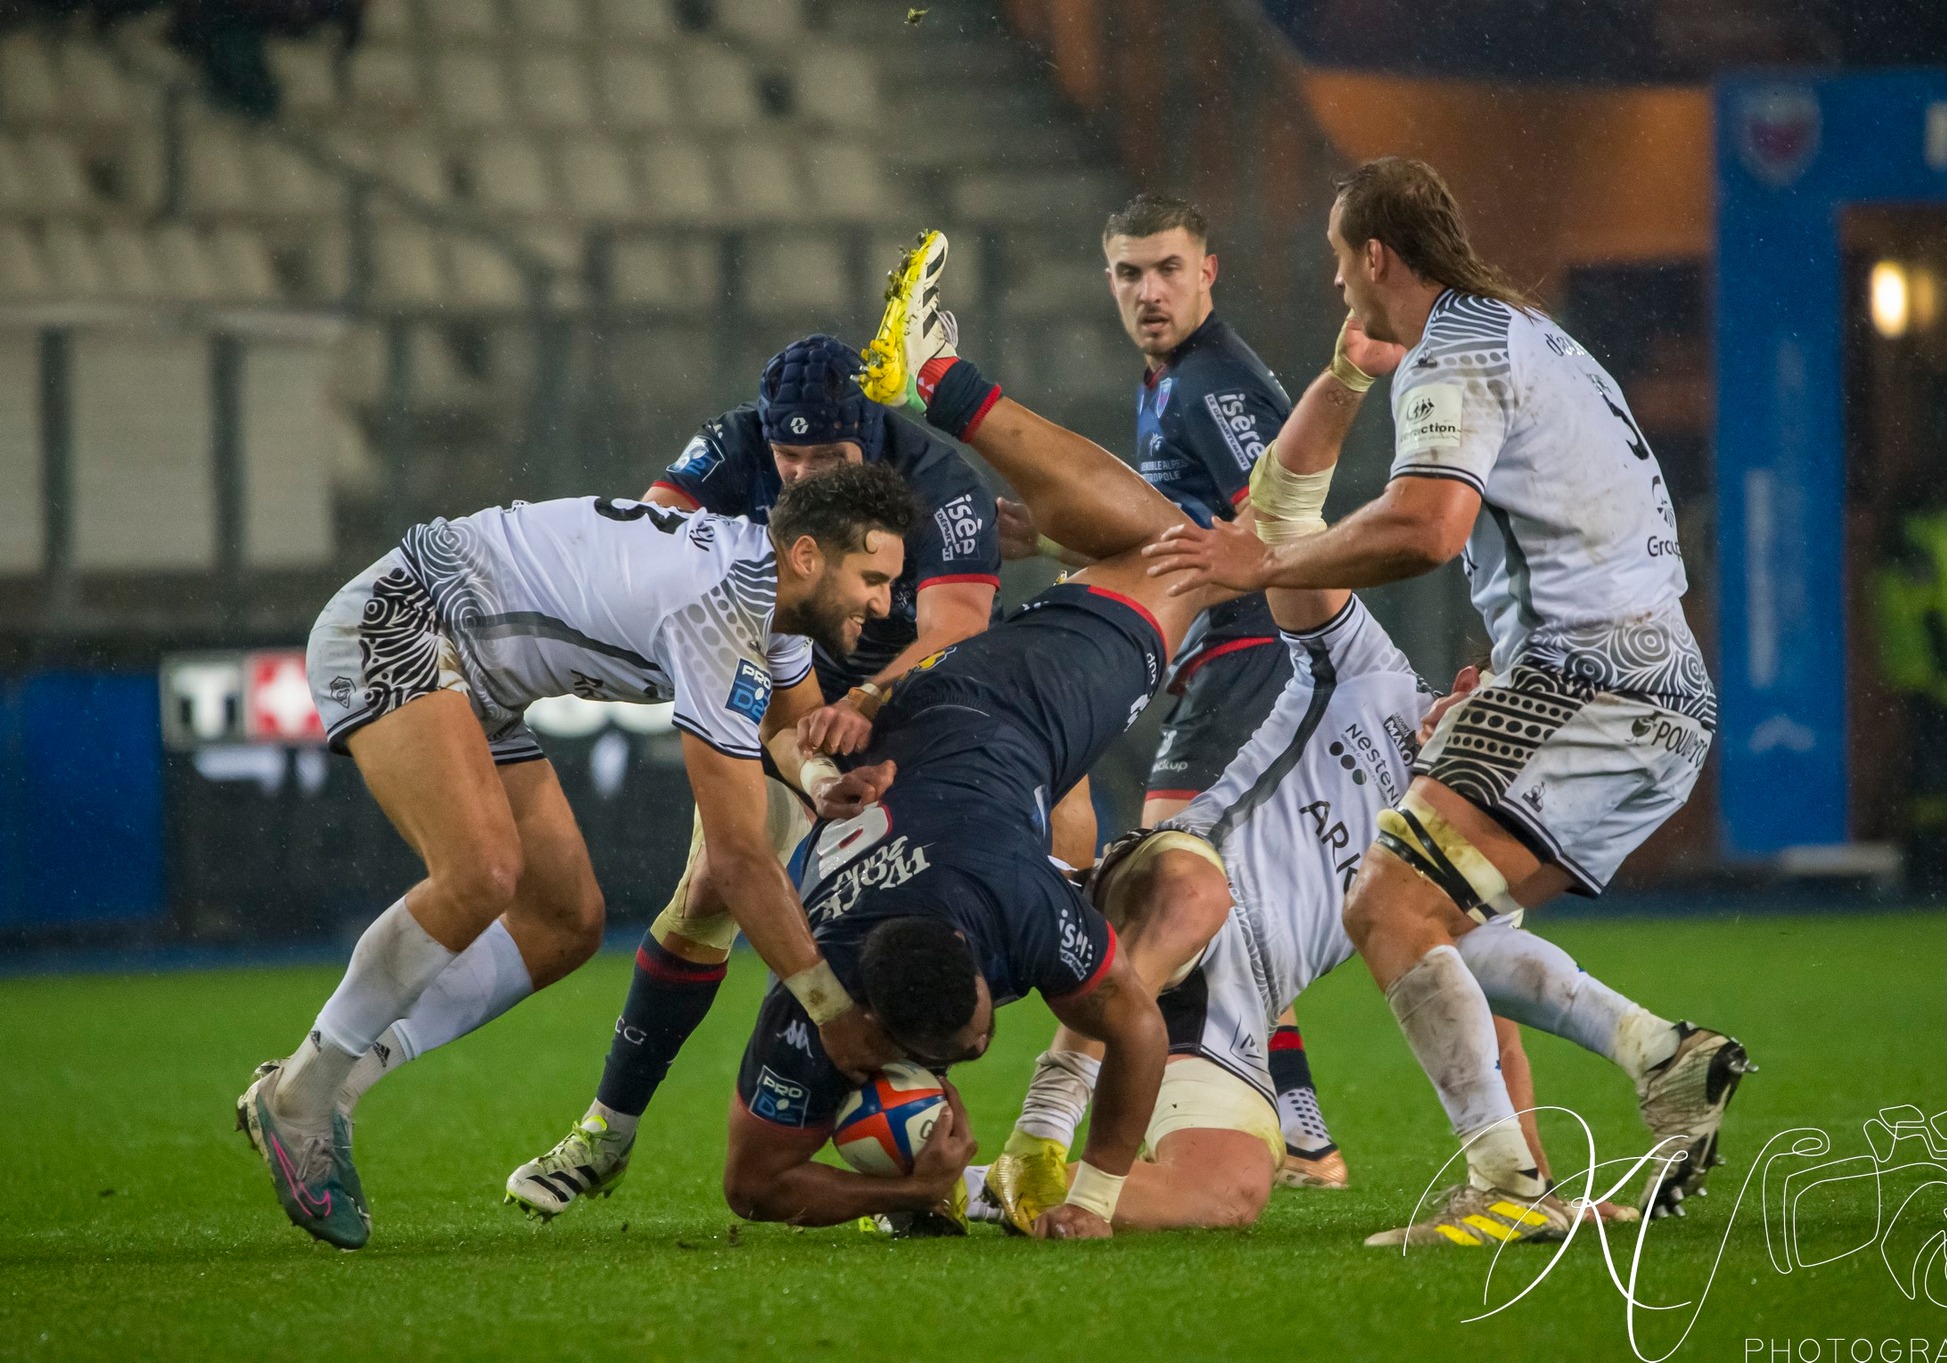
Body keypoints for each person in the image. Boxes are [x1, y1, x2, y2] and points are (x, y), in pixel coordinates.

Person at [976, 345, 1725, 1238]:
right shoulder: (1368, 670)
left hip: (1233, 1005)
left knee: (1222, 1199)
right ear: (1465, 679)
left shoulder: (1450, 833)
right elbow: (1280, 516)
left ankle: (966, 1190)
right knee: (1195, 892)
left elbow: (1496, 1016)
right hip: (1160, 897)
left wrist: (1541, 1188)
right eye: (1487, 694)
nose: (1482, 713)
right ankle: (1051, 1118)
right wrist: (1345, 377)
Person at [1145, 157, 1752, 1239]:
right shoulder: (1527, 331)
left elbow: (1426, 527)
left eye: (1340, 264)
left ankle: (1507, 1193)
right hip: (1639, 679)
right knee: (1438, 921)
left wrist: (1259, 568)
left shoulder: (1451, 355)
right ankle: (1661, 1055)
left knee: (1385, 903)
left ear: (1375, 255)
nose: (1337, 286)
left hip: (1593, 678)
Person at [234, 463, 919, 1250]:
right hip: (399, 621)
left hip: (476, 674)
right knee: (482, 873)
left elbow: (787, 731)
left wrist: (828, 779)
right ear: (806, 556)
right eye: (871, 578)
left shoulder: (763, 595)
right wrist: (832, 1012)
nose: (883, 601)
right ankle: (300, 1098)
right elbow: (736, 859)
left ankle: (325, 1084)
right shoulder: (718, 609)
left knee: (564, 920)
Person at [719, 229, 1243, 1240]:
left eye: (974, 1028)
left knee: (1178, 554)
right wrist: (909, 1189)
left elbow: (1131, 1023)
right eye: (975, 1038)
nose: (983, 1035)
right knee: (1170, 560)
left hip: (994, 704)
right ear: (864, 1022)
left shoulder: (1006, 906)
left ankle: (942, 386)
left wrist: (1093, 1198)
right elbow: (750, 1188)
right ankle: (986, 445)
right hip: (924, 751)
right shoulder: (820, 1003)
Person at [503, 335, 1004, 1219]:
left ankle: (916, 1159)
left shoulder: (939, 480)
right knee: (709, 887)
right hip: (779, 700)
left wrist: (871, 696)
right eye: (789, 456)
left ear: (872, 435)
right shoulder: (734, 445)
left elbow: (958, 625)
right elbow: (649, 534)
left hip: (915, 714)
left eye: (828, 457)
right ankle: (607, 1131)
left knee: (909, 910)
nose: (803, 476)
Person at [996, 192, 1351, 1189]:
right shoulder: (1168, 385)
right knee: (1218, 905)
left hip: (1251, 664)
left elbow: (1276, 528)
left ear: (1207, 271)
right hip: (1225, 666)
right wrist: (1041, 535)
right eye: (1126, 273)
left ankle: (1068, 1110)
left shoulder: (1211, 385)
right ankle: (1308, 1141)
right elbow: (1180, 535)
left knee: (1162, 892)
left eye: (1165, 268)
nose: (1147, 291)